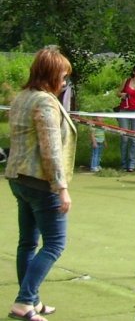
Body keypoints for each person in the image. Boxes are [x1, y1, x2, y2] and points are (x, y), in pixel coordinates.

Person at [5, 47, 77, 321]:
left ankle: (31, 300)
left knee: (27, 243)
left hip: (18, 178)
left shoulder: (22, 97)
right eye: (63, 75)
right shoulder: (45, 102)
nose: (64, 81)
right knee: (55, 244)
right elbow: (51, 150)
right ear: (51, 74)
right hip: (39, 182)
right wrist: (62, 188)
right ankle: (24, 301)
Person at [116, 63, 135, 172]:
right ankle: (123, 163)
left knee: (134, 138)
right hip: (124, 110)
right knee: (124, 137)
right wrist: (122, 94)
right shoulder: (126, 81)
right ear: (134, 72)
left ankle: (132, 165)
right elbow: (117, 93)